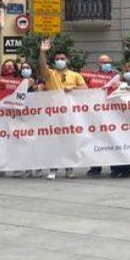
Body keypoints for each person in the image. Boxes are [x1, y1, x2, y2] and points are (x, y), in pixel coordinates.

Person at [37, 38, 88, 180]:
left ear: (68, 61)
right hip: (53, 114)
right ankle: (53, 168)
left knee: (69, 141)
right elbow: (42, 66)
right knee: (54, 141)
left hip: (71, 114)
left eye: (62, 58)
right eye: (57, 59)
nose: (59, 60)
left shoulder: (75, 75)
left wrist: (74, 87)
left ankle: (69, 168)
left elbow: (86, 89)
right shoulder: (50, 74)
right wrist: (42, 52)